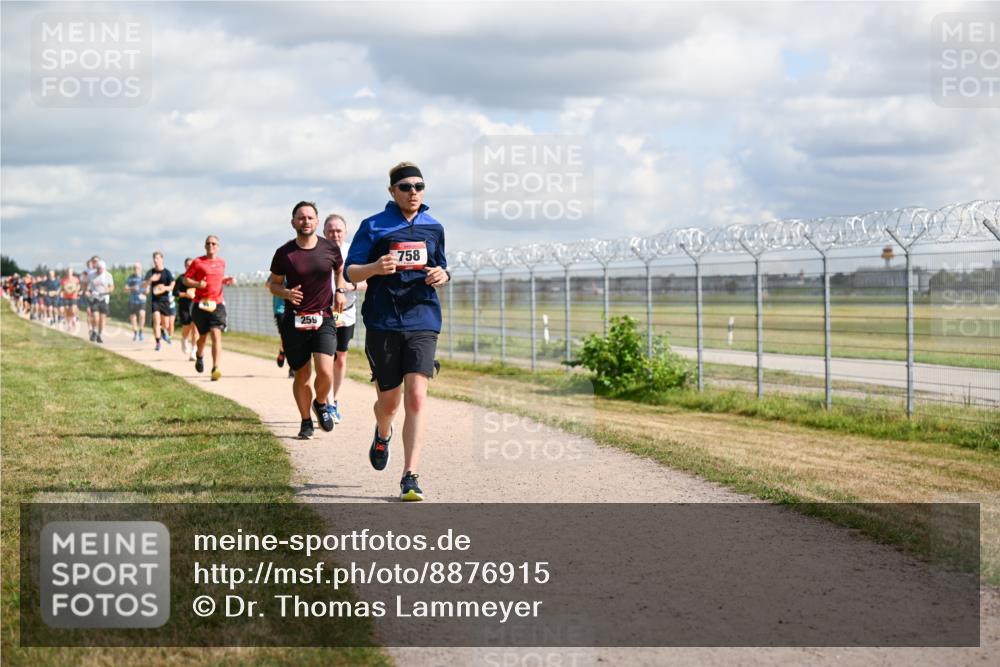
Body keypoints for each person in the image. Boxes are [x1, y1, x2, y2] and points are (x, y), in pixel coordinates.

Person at [344, 161, 449, 501]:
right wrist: (375, 267)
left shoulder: (434, 227)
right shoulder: (374, 226)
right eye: (406, 187)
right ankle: (382, 432)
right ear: (392, 191)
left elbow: (441, 266)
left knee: (417, 396)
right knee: (389, 403)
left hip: (423, 318)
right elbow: (351, 273)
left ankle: (410, 475)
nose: (414, 192)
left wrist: (442, 276)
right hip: (383, 321)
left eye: (419, 186)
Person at [268, 201, 347, 439]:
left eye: (310, 217)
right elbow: (273, 284)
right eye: (301, 218)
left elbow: (340, 271)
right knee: (302, 375)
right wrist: (286, 293)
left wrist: (340, 290)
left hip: (323, 318)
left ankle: (321, 403)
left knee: (325, 372)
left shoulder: (330, 248)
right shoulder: (284, 253)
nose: (306, 221)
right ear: (293, 222)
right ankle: (305, 421)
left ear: (316, 221)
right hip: (295, 321)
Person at [323, 213, 367, 424]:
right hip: (323, 312)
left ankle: (335, 398)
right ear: (324, 233)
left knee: (340, 357)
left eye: (338, 230)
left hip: (346, 310)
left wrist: (352, 286)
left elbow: (368, 280)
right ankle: (327, 401)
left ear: (345, 232)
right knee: (326, 357)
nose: (335, 234)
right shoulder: (318, 250)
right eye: (331, 231)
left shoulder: (353, 252)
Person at [183, 236, 235, 380]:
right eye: (208, 243)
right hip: (200, 304)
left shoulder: (222, 263)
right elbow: (185, 279)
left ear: (218, 246)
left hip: (217, 303)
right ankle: (199, 355)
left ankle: (215, 368)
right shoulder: (198, 262)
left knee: (216, 333)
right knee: (203, 336)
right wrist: (197, 285)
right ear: (205, 246)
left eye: (214, 243)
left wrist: (226, 280)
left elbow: (217, 279)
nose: (211, 245)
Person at [143, 252, 175, 351]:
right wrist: (150, 280)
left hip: (165, 301)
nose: (155, 260)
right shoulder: (150, 272)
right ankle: (158, 343)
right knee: (156, 321)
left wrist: (164, 288)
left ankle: (163, 331)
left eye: (157, 258)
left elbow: (172, 286)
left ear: (162, 259)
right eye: (154, 258)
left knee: (166, 324)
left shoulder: (167, 273)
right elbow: (143, 285)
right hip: (154, 300)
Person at [173, 258, 197, 358]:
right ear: (185, 266)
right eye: (187, 265)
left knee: (195, 327)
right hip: (184, 306)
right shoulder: (181, 278)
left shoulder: (197, 277)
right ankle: (184, 339)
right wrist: (185, 294)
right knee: (186, 327)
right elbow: (175, 292)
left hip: (196, 306)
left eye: (191, 265)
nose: (189, 266)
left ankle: (194, 350)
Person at [89, 260, 114, 343]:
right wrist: (90, 292)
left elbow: (112, 287)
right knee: (95, 317)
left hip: (104, 298)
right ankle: (94, 331)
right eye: (98, 268)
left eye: (101, 269)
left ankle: (99, 334)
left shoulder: (108, 275)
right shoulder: (92, 275)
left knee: (102, 319)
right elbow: (88, 287)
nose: (100, 270)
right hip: (95, 298)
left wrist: (108, 290)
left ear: (104, 268)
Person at [125, 262, 147, 341]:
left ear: (141, 269)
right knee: (133, 318)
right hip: (132, 300)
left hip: (141, 300)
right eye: (134, 268)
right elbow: (125, 289)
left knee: (142, 315)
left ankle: (141, 331)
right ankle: (135, 333)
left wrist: (145, 293)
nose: (136, 269)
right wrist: (132, 288)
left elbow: (148, 288)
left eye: (137, 268)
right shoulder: (130, 277)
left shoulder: (144, 277)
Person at [61, 268, 80, 332]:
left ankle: (74, 318)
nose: (69, 273)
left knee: (73, 310)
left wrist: (75, 291)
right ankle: (69, 324)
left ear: (72, 272)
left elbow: (78, 286)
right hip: (66, 296)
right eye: (68, 272)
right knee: (67, 309)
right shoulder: (64, 280)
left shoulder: (76, 279)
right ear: (67, 273)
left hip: (73, 296)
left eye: (70, 272)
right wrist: (66, 291)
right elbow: (63, 288)